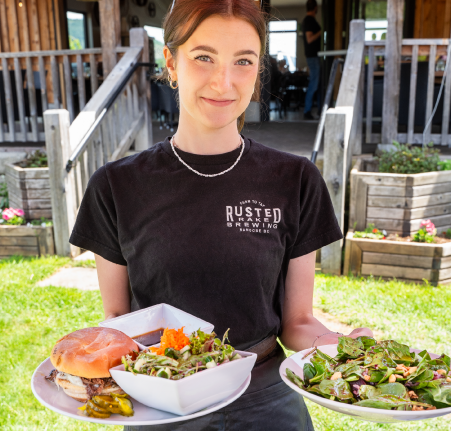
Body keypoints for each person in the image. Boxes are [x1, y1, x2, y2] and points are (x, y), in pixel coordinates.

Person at [69, 1, 373, 430]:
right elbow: (118, 325)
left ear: (258, 72)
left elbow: (298, 322)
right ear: (171, 63)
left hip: (266, 394)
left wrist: (344, 348)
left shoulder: (295, 179)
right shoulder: (116, 186)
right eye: (203, 57)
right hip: (162, 397)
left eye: (243, 61)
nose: (223, 81)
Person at [302, 0, 322, 120]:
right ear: (315, 8)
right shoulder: (309, 20)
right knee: (314, 84)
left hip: (314, 56)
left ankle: (318, 109)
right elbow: (309, 39)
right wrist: (321, 31)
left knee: (317, 84)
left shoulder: (309, 20)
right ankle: (307, 111)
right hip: (313, 57)